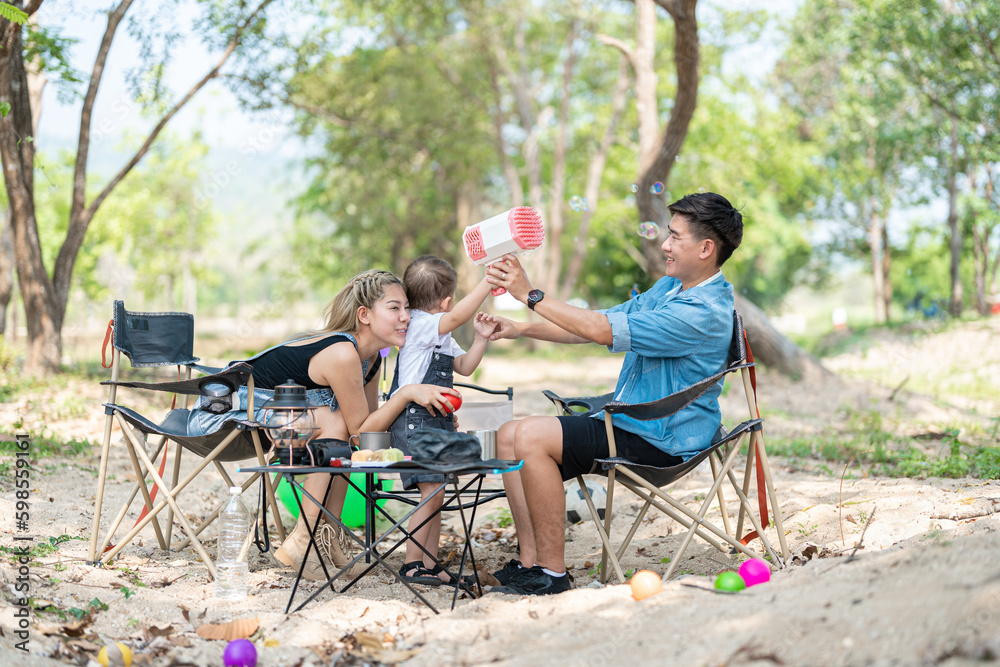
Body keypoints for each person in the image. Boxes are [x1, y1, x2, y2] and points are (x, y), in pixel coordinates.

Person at [480, 192, 744, 596]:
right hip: (634, 421)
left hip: (662, 438)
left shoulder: (701, 312)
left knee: (530, 436)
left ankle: (552, 575)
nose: (665, 245)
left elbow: (602, 330)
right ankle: (531, 563)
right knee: (507, 435)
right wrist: (523, 327)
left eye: (675, 237)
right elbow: (596, 323)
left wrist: (532, 295)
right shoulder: (671, 288)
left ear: (707, 248)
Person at [188, 269, 460, 580]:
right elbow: (361, 429)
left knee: (342, 427)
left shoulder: (371, 359)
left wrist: (425, 414)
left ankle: (326, 539)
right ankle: (304, 541)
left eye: (407, 308)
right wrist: (407, 393)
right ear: (365, 315)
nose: (406, 318)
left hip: (286, 421)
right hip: (224, 411)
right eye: (394, 307)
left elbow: (370, 430)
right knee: (337, 422)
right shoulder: (342, 353)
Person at [388, 255, 497, 586]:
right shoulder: (420, 323)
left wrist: (480, 338)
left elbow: (463, 367)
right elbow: (457, 317)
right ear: (447, 301)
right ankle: (411, 564)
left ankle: (430, 563)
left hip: (435, 422)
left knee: (436, 490)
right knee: (431, 489)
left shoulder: (436, 332)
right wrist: (488, 282)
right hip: (413, 422)